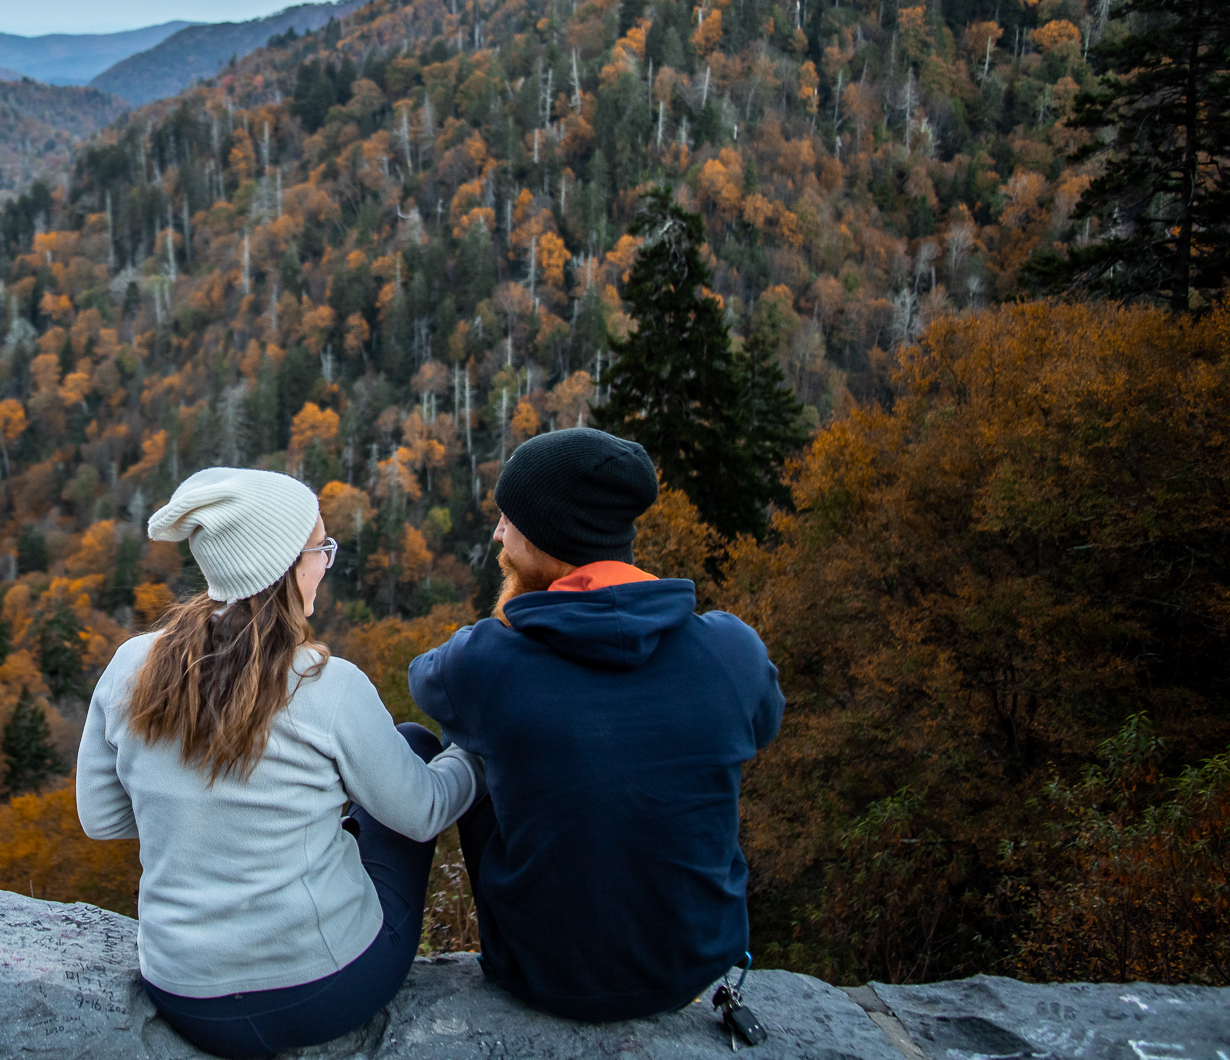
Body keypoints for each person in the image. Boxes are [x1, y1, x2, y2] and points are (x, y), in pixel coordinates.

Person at [77, 467, 481, 1059]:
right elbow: (423, 816)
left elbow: (102, 818)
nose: (326, 562)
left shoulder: (131, 667)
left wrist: (198, 816)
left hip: (182, 993)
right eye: (321, 548)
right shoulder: (328, 685)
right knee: (416, 745)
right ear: (284, 566)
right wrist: (477, 756)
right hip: (324, 991)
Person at [407, 427, 784, 1024]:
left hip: (541, 972)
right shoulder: (732, 652)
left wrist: (516, 620)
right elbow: (764, 724)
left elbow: (422, 678)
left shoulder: (487, 663)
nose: (498, 533)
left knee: (466, 737)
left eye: (509, 520)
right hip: (693, 963)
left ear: (551, 535)